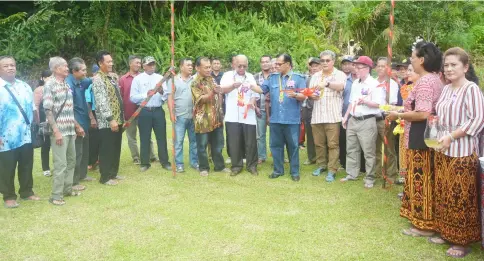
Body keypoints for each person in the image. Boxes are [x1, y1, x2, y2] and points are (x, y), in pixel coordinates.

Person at [430, 47, 484, 258]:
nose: (449, 69)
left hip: (462, 152)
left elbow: (477, 120)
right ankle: (446, 232)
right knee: (444, 192)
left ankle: (462, 241)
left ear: (465, 67)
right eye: (446, 65)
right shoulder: (446, 89)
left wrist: (451, 136)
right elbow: (441, 115)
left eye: (454, 65)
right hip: (443, 149)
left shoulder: (470, 89)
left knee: (460, 197)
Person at [387, 41, 443, 238]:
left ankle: (424, 225)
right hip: (425, 134)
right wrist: (402, 110)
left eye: (412, 57)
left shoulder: (427, 81)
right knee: (422, 178)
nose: (411, 60)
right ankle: (423, 220)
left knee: (422, 179)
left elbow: (422, 113)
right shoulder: (434, 79)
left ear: (421, 59)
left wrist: (399, 116)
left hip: (421, 134)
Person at [0, 56, 40, 208]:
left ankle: (27, 192)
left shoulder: (24, 86)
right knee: (6, 167)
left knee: (26, 164)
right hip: (5, 138)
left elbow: (33, 108)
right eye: (6, 66)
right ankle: (9, 196)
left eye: (12, 65)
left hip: (25, 135)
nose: (10, 68)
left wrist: (36, 125)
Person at [261, 53, 306, 182]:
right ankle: (278, 170)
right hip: (276, 119)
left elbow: (304, 96)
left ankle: (294, 172)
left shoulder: (298, 78)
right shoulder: (272, 78)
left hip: (291, 119)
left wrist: (296, 95)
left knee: (293, 146)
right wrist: (247, 85)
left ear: (287, 64)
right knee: (275, 146)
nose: (277, 66)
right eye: (276, 64)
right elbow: (261, 89)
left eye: (279, 64)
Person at [43, 56, 81, 205]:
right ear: (56, 69)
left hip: (70, 130)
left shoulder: (65, 83)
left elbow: (68, 109)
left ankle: (67, 189)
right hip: (59, 132)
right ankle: (56, 195)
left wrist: (76, 126)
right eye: (65, 66)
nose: (67, 68)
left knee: (71, 161)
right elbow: (48, 110)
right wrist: (56, 131)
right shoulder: (50, 85)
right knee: (60, 164)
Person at [341, 56, 383, 188]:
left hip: (367, 120)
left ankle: (370, 177)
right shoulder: (355, 83)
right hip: (353, 119)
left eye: (358, 67)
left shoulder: (375, 84)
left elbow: (379, 104)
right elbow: (351, 102)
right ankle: (352, 173)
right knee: (351, 148)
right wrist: (346, 117)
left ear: (367, 69)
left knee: (369, 151)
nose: (356, 70)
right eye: (355, 67)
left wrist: (365, 101)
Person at [309, 50, 346, 182]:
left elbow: (341, 87)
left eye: (327, 60)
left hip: (332, 116)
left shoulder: (339, 74)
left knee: (333, 145)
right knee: (319, 144)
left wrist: (328, 84)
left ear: (333, 61)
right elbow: (311, 92)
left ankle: (332, 169)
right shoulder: (316, 76)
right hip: (317, 115)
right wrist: (312, 95)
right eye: (322, 60)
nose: (324, 63)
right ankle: (321, 165)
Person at [221, 54, 261, 176]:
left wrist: (252, 102)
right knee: (234, 141)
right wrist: (233, 86)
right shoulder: (227, 75)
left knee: (251, 142)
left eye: (244, 66)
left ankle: (252, 165)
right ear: (234, 65)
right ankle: (236, 166)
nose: (242, 68)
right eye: (239, 66)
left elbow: (256, 93)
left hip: (247, 114)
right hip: (232, 114)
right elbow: (221, 90)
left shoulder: (250, 77)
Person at [130, 56, 171, 172]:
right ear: (144, 66)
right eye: (149, 64)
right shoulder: (137, 79)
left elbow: (166, 96)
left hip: (158, 110)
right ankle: (144, 163)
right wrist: (145, 94)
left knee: (161, 137)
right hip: (144, 111)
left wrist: (162, 91)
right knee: (144, 138)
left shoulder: (160, 78)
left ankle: (165, 162)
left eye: (153, 64)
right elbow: (132, 98)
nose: (152, 66)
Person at [191, 57, 230, 176]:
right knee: (202, 145)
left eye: (209, 67)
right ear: (197, 68)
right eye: (206, 67)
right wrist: (213, 92)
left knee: (218, 144)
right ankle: (204, 168)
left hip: (216, 118)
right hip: (203, 120)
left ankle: (219, 166)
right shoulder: (195, 82)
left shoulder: (211, 79)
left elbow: (218, 94)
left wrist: (220, 110)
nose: (209, 69)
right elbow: (200, 99)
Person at [92, 50, 125, 185]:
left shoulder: (111, 77)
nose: (111, 64)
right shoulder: (98, 79)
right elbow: (101, 102)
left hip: (119, 118)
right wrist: (110, 119)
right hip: (108, 121)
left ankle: (113, 173)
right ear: (100, 63)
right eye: (108, 62)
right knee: (107, 148)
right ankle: (105, 177)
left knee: (116, 147)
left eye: (112, 61)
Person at [119, 55, 157, 165]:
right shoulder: (123, 79)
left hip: (143, 111)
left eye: (140, 63)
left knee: (146, 134)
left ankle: (151, 155)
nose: (138, 65)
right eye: (136, 63)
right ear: (130, 64)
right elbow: (121, 97)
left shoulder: (143, 77)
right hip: (129, 112)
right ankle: (136, 157)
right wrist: (122, 113)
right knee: (131, 136)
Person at [164, 58, 198, 173]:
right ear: (181, 67)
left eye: (191, 65)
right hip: (180, 116)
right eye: (188, 65)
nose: (190, 67)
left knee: (194, 141)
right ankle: (179, 164)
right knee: (178, 141)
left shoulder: (195, 80)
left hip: (193, 116)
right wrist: (171, 112)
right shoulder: (173, 80)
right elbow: (170, 97)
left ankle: (194, 162)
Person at [66, 57, 94, 192]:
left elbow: (92, 80)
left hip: (84, 121)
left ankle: (83, 174)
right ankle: (73, 180)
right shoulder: (68, 84)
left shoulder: (81, 81)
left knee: (84, 149)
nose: (85, 72)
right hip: (75, 123)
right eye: (82, 70)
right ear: (74, 71)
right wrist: (76, 125)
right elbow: (67, 108)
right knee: (76, 153)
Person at [374, 57, 399, 183]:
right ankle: (377, 172)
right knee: (375, 148)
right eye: (378, 65)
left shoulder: (392, 84)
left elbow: (392, 103)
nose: (380, 68)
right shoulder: (373, 82)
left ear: (388, 68)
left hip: (385, 118)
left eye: (383, 66)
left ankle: (391, 174)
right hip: (373, 118)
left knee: (389, 148)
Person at [33, 70, 53, 177]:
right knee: (46, 144)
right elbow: (35, 106)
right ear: (42, 78)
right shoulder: (39, 90)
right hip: (44, 121)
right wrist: (38, 121)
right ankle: (46, 168)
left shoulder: (55, 87)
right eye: (48, 76)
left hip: (56, 120)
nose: (50, 78)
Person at [302, 57, 320, 165]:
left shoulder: (325, 79)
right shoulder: (308, 79)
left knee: (322, 136)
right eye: (312, 66)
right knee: (310, 135)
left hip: (322, 110)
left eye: (316, 66)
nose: (314, 68)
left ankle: (323, 158)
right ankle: (311, 157)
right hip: (309, 110)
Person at [254, 55, 272, 164]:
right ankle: (261, 156)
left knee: (275, 134)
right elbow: (252, 93)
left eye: (267, 61)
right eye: (263, 62)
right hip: (259, 108)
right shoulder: (255, 77)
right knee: (260, 135)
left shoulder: (275, 76)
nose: (265, 63)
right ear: (260, 64)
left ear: (270, 63)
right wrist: (255, 107)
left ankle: (277, 155)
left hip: (273, 109)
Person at [86, 64, 100, 172]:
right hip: (94, 113)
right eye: (96, 73)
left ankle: (98, 160)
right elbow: (87, 103)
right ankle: (91, 162)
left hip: (103, 114)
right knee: (93, 139)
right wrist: (92, 118)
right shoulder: (90, 85)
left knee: (101, 138)